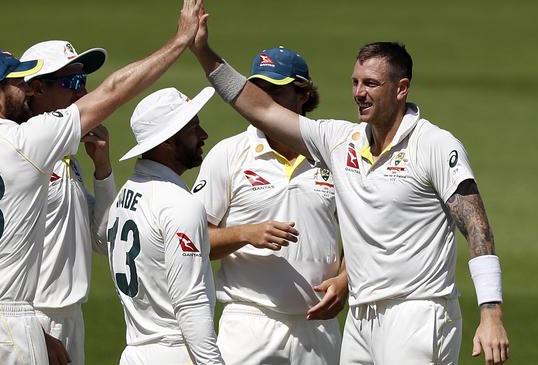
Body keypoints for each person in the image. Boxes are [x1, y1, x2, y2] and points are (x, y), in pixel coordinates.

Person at [0, 1, 204, 364]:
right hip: (15, 316)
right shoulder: (28, 144)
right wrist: (181, 39)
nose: (24, 90)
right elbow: (115, 91)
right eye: (18, 84)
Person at [190, 16, 509, 365]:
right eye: (355, 82)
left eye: (371, 83)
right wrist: (204, 53)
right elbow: (261, 109)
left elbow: (477, 225)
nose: (359, 92)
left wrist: (490, 313)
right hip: (360, 319)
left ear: (401, 89)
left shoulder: (434, 144)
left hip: (417, 309)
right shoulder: (341, 141)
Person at [191, 46, 346, 364]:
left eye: (273, 90)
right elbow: (192, 242)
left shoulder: (336, 155)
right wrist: (246, 234)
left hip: (319, 329)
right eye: (256, 88)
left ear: (302, 94)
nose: (260, 99)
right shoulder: (229, 154)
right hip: (249, 325)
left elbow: (366, 235)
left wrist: (346, 280)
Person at [109, 87, 224, 365]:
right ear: (168, 143)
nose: (204, 135)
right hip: (175, 352)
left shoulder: (124, 195)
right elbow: (190, 301)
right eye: (193, 129)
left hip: (135, 352)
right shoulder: (180, 204)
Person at [19, 40, 116, 365]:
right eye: (71, 83)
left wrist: (102, 168)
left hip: (69, 316)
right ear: (36, 89)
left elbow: (103, 241)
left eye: (84, 83)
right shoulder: (19, 156)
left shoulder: (66, 158)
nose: (83, 94)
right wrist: (33, 328)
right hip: (33, 316)